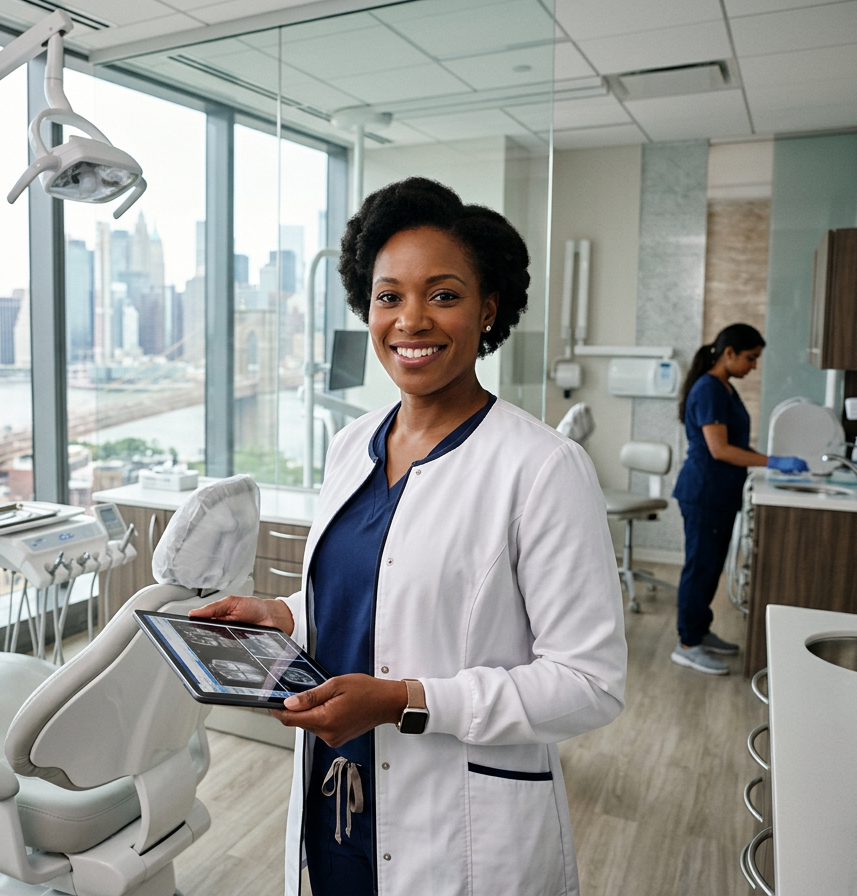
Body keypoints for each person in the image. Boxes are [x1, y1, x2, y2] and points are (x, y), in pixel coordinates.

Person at [190, 177, 626, 896]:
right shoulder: (350, 444)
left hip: (460, 827)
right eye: (389, 296)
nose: (412, 320)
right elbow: (378, 596)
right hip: (336, 794)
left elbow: (590, 684)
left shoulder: (542, 468)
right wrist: (283, 615)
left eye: (444, 295)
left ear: (489, 310)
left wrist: (404, 701)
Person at [670, 324, 808, 675]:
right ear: (728, 352)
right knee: (699, 568)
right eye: (750, 358)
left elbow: (732, 445)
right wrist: (772, 461)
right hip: (704, 492)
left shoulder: (723, 388)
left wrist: (766, 461)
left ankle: (700, 631)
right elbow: (720, 449)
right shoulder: (710, 389)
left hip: (717, 493)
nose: (754, 366)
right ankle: (687, 644)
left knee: (710, 567)